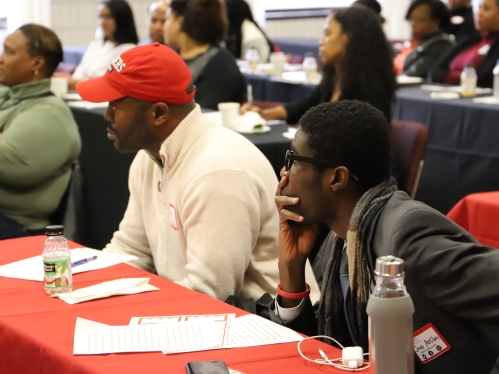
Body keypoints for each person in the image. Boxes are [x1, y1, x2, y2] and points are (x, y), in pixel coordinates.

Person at [75, 43, 319, 301]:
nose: (106, 115)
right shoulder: (148, 158)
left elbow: (210, 293)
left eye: (116, 105)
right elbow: (132, 249)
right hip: (200, 315)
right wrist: (87, 289)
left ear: (158, 113)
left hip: (269, 328)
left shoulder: (218, 171)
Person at [270, 100, 499, 374]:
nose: (284, 173)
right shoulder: (342, 238)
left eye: (293, 160)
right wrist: (292, 268)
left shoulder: (407, 234)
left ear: (336, 178)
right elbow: (322, 346)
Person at [242, 7, 396, 124]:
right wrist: (263, 115)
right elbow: (305, 107)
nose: (321, 41)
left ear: (348, 39)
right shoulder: (334, 80)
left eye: (328, 34)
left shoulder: (371, 92)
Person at [0, 24, 81, 240]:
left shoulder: (50, 114)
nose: (1, 58)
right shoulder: (10, 96)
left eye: (9, 52)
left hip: (16, 226)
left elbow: (5, 162)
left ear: (36, 63)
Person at [164, 0, 245, 110]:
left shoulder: (220, 64)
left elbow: (204, 112)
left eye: (167, 19)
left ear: (179, 22)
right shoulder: (171, 57)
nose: (163, 27)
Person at [69, 0, 138, 89]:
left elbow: (109, 82)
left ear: (121, 19)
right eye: (100, 16)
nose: (102, 22)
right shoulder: (94, 45)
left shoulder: (129, 51)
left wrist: (78, 82)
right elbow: (78, 75)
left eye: (107, 17)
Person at [429, 0, 499, 87]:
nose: (479, 13)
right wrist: (464, 77)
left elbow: (486, 80)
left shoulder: (495, 45)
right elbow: (434, 72)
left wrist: (450, 76)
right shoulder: (469, 41)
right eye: (478, 8)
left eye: (486, 9)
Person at [394, 0, 454, 77]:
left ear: (436, 22)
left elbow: (414, 74)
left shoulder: (441, 45)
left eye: (419, 20)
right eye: (411, 19)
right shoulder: (420, 42)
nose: (413, 24)